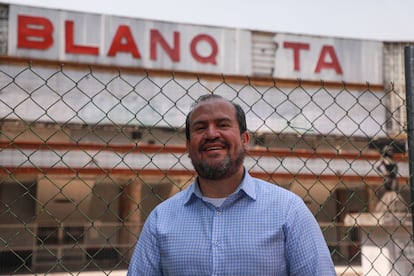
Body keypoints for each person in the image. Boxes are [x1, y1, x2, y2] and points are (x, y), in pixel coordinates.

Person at [127, 94, 336, 275]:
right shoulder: (160, 220)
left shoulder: (288, 211)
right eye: (200, 127)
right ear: (188, 146)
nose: (211, 134)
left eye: (223, 125)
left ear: (245, 139)